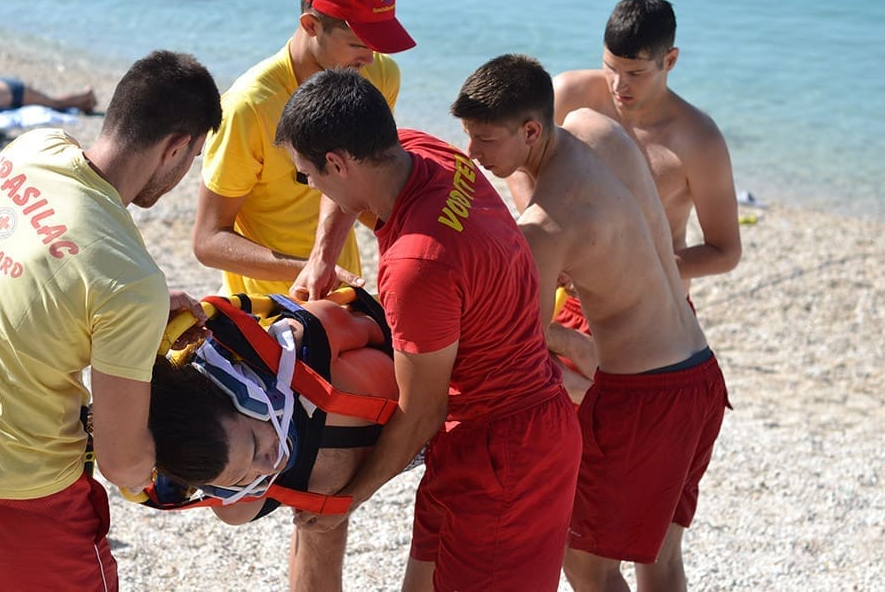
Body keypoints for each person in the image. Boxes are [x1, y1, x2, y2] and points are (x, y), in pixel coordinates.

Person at [0, 50, 222, 591]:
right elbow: (123, 466)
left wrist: (135, 311)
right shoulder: (126, 279)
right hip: (21, 497)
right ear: (176, 149)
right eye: (191, 159)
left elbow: (44, 263)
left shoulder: (31, 150)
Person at [275, 69, 582, 592]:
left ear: (338, 163)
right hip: (473, 437)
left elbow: (421, 411)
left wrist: (348, 498)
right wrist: (323, 255)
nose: (310, 187)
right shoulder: (423, 152)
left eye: (308, 175)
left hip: (510, 455)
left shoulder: (417, 265)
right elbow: (344, 186)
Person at [452, 53, 730, 591]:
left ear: (530, 130)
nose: (473, 153)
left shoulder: (542, 230)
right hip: (699, 374)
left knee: (584, 564)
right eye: (467, 135)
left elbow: (525, 355)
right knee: (660, 559)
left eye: (485, 139)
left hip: (644, 397)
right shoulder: (591, 124)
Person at [507, 0, 741, 372]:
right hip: (569, 291)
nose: (618, 85)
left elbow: (725, 251)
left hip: (649, 309)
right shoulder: (568, 93)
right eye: (609, 67)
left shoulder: (699, 140)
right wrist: (551, 236)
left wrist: (644, 263)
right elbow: (518, 162)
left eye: (635, 73)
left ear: (670, 60)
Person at [193, 0, 415, 301]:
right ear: (311, 26)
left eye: (376, 44)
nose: (370, 59)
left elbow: (363, 183)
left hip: (344, 297)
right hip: (269, 309)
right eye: (358, 44)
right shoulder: (248, 107)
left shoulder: (378, 74)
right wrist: (310, 266)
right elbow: (208, 242)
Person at [149, 295, 398, 591]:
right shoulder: (236, 505)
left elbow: (383, 328)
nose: (270, 464)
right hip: (372, 443)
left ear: (243, 394)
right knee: (245, 512)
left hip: (436, 396)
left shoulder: (304, 342)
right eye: (243, 478)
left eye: (256, 445)